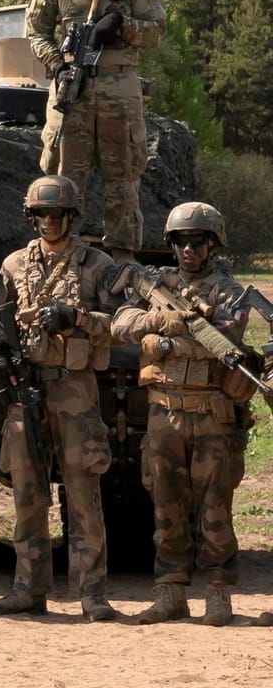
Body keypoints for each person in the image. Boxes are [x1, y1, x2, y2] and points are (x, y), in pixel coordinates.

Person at [0, 175, 123, 621]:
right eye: (41, 214)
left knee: (82, 489)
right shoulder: (14, 265)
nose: (49, 221)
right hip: (26, 387)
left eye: (57, 214)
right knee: (27, 490)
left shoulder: (96, 264)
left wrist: (75, 317)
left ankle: (91, 593)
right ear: (31, 216)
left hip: (74, 387)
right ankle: (29, 587)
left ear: (71, 216)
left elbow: (122, 321)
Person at [112, 202, 249, 626]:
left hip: (212, 414)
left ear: (213, 244)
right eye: (182, 242)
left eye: (198, 242)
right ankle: (170, 592)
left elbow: (225, 343)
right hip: (164, 411)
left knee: (214, 508)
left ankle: (218, 592)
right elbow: (120, 324)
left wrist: (164, 342)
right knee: (165, 506)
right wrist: (162, 329)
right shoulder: (157, 286)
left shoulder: (229, 293)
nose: (189, 250)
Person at [26, 0, 166, 263]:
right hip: (73, 87)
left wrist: (123, 26)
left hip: (119, 90)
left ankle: (121, 264)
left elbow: (156, 32)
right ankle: (60, 258)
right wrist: (57, 64)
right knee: (62, 183)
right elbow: (36, 31)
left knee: (123, 182)